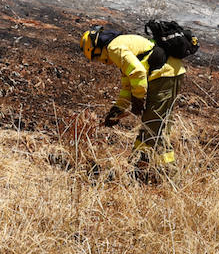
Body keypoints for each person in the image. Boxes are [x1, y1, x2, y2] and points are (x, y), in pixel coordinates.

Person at [80, 25, 186, 182]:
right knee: (157, 126)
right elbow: (128, 85)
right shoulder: (120, 44)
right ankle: (141, 169)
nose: (101, 62)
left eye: (97, 58)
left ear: (95, 50)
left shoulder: (113, 49)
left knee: (153, 127)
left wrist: (138, 99)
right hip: (172, 72)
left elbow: (138, 72)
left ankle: (170, 177)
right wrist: (117, 109)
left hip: (163, 76)